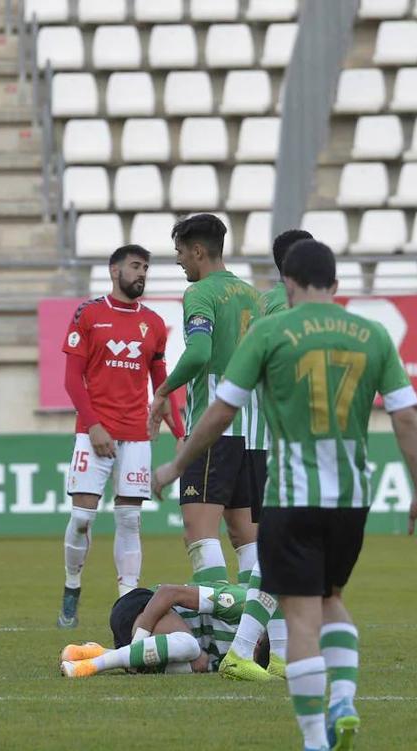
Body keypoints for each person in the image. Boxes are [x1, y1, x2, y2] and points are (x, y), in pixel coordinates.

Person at [153, 238, 417, 751]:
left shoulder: (270, 330)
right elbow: (405, 416)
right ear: (335, 284)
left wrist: (175, 463)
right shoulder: (372, 335)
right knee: (332, 599)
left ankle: (313, 747)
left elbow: (219, 413)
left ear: (287, 282)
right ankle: (345, 700)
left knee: (302, 614)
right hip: (352, 498)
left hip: (291, 493)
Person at [146, 214, 264, 680]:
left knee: (201, 538)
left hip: (214, 431)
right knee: (248, 543)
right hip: (255, 433)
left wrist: (162, 392)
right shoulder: (252, 294)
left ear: (197, 251)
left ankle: (220, 647)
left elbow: (197, 353)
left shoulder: (201, 293)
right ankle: (258, 640)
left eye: (179, 252)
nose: (177, 261)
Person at [56, 244, 184, 629]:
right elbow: (71, 379)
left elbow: (161, 384)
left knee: (129, 519)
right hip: (93, 433)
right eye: (135, 266)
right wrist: (93, 424)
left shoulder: (155, 323)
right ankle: (72, 585)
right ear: (115, 271)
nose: (141, 272)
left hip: (136, 436)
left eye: (145, 266)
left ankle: (128, 602)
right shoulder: (89, 314)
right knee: (82, 517)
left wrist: (180, 431)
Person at [220, 229, 314, 681]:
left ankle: (274, 654)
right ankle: (241, 650)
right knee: (280, 554)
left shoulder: (277, 305)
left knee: (283, 554)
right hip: (281, 444)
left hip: (276, 441)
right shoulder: (282, 307)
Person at [58, 579, 248, 678]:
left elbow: (202, 662)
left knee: (199, 663)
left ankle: (96, 653)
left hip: (160, 645)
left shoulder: (248, 663)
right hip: (142, 607)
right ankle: (89, 667)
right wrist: (137, 643)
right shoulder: (243, 603)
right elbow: (168, 593)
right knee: (189, 645)